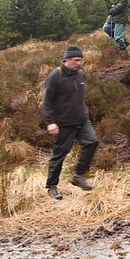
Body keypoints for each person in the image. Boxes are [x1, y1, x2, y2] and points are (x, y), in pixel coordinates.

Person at [43, 45, 99, 199]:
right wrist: (50, 122)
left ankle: (78, 176)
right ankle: (52, 187)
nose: (79, 63)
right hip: (64, 123)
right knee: (59, 155)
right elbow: (47, 101)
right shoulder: (56, 75)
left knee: (92, 142)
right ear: (66, 60)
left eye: (81, 60)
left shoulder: (80, 74)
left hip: (82, 121)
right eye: (76, 60)